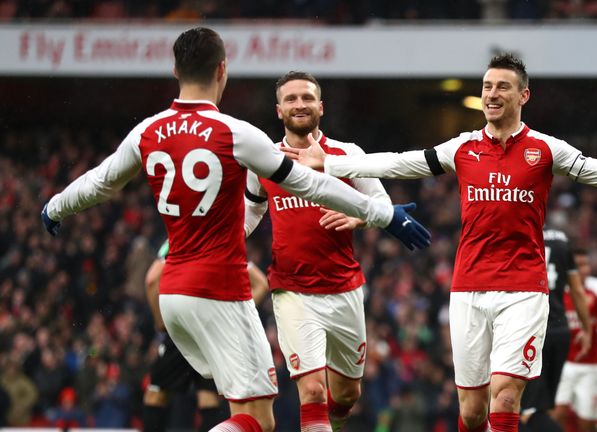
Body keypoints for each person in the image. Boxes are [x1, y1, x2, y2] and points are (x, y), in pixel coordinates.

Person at [282, 53, 597, 432]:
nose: (491, 94)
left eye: (501, 87)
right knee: (471, 412)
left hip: (524, 289)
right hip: (468, 288)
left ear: (523, 95)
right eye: (486, 87)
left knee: (506, 395)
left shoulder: (545, 150)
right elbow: (401, 163)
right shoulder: (461, 148)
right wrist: (334, 165)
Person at [39, 27, 430, 432]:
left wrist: (55, 206)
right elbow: (309, 183)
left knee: (249, 410)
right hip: (221, 288)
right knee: (258, 417)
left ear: (174, 68)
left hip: (174, 292)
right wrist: (386, 215)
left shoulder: (147, 131)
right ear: (223, 69)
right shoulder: (236, 133)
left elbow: (101, 182)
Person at [244, 71, 389, 432]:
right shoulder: (265, 161)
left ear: (321, 106)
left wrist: (358, 218)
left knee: (346, 395)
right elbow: (250, 210)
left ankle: (335, 421)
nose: (299, 105)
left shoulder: (347, 155)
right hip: (292, 289)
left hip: (344, 290)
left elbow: (381, 203)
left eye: (307, 98)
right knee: (311, 390)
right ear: (279, 110)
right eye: (291, 99)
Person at [143, 239, 269, 432]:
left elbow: (152, 279)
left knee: (156, 394)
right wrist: (241, 313)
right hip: (213, 327)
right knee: (208, 399)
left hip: (183, 325)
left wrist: (161, 323)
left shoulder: (178, 237)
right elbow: (261, 283)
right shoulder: (221, 236)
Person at [519, 228, 592, 432]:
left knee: (524, 408)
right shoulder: (562, 242)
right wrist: (587, 329)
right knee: (542, 408)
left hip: (530, 331)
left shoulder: (522, 236)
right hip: (559, 332)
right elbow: (577, 290)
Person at [552, 248, 597, 432]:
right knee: (557, 415)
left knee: (587, 424)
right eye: (576, 266)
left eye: (584, 265)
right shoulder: (557, 295)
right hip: (562, 365)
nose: (581, 270)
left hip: (591, 366)